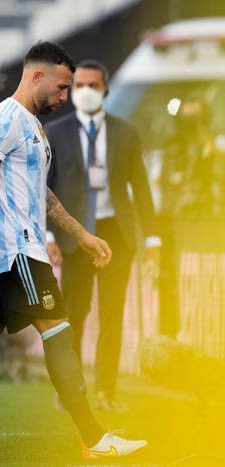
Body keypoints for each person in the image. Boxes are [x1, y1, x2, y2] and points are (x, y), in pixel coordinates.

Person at [0, 41, 148, 461]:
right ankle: (93, 437)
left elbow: (42, 194)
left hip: (16, 252)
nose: (64, 97)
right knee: (60, 334)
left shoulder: (32, 124)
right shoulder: (5, 118)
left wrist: (84, 236)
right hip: (17, 253)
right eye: (60, 87)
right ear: (36, 75)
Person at [45, 59, 160, 410]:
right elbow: (45, 189)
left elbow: (141, 189)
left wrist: (153, 241)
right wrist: (50, 238)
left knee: (112, 315)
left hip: (116, 233)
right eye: (78, 85)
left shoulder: (126, 132)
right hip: (74, 234)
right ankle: (72, 391)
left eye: (92, 86)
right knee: (74, 315)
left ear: (105, 90)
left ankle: (107, 392)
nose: (85, 92)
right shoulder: (55, 132)